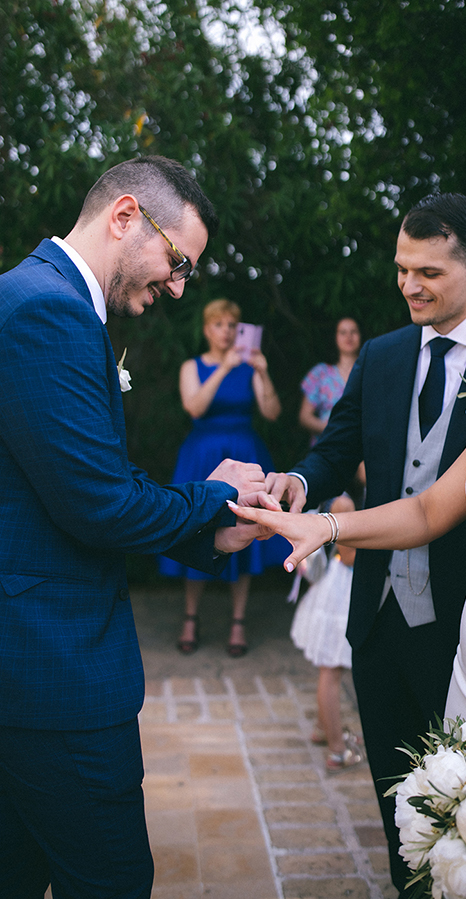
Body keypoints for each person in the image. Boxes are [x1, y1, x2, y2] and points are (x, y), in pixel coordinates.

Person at [233, 198, 466, 898]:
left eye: (429, 271)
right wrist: (319, 517)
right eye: (402, 269)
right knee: (427, 837)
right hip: (430, 657)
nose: (409, 285)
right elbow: (412, 497)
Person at [0, 155, 266, 899]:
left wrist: (209, 531)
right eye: (178, 262)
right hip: (52, 674)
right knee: (111, 880)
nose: (178, 286)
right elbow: (100, 503)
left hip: (28, 671)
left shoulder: (38, 296)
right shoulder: (46, 310)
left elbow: (82, 481)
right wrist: (214, 497)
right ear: (125, 216)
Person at [159, 298, 283, 657]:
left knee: (245, 529)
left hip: (245, 452)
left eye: (232, 325)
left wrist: (262, 372)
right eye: (219, 325)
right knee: (197, 530)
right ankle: (190, 617)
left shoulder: (249, 367)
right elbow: (194, 407)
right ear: (206, 330)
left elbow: (272, 413)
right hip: (203, 457)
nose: (227, 332)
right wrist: (223, 369)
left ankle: (238, 621)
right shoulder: (192, 366)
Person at [290, 493, 365, 771]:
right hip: (341, 588)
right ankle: (337, 750)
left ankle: (323, 729)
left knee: (330, 667)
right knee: (331, 671)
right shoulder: (344, 503)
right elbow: (348, 556)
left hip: (337, 584)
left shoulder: (339, 496)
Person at [299, 317, 362, 445]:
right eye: (343, 332)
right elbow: (305, 417)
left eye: (353, 331)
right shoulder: (321, 373)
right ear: (334, 337)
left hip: (362, 446)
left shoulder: (370, 372)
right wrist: (332, 429)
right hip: (328, 446)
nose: (348, 337)